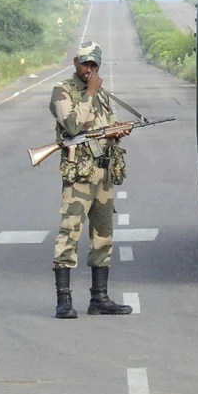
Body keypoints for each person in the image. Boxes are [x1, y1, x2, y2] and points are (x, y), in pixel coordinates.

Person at [49, 41, 133, 319]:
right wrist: (89, 93)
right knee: (69, 234)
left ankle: (99, 299)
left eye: (94, 65)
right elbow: (72, 125)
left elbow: (107, 125)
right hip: (80, 175)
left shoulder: (103, 95)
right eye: (85, 64)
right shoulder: (64, 91)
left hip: (103, 173)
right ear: (75, 62)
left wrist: (118, 131)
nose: (89, 69)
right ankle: (64, 300)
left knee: (103, 237)